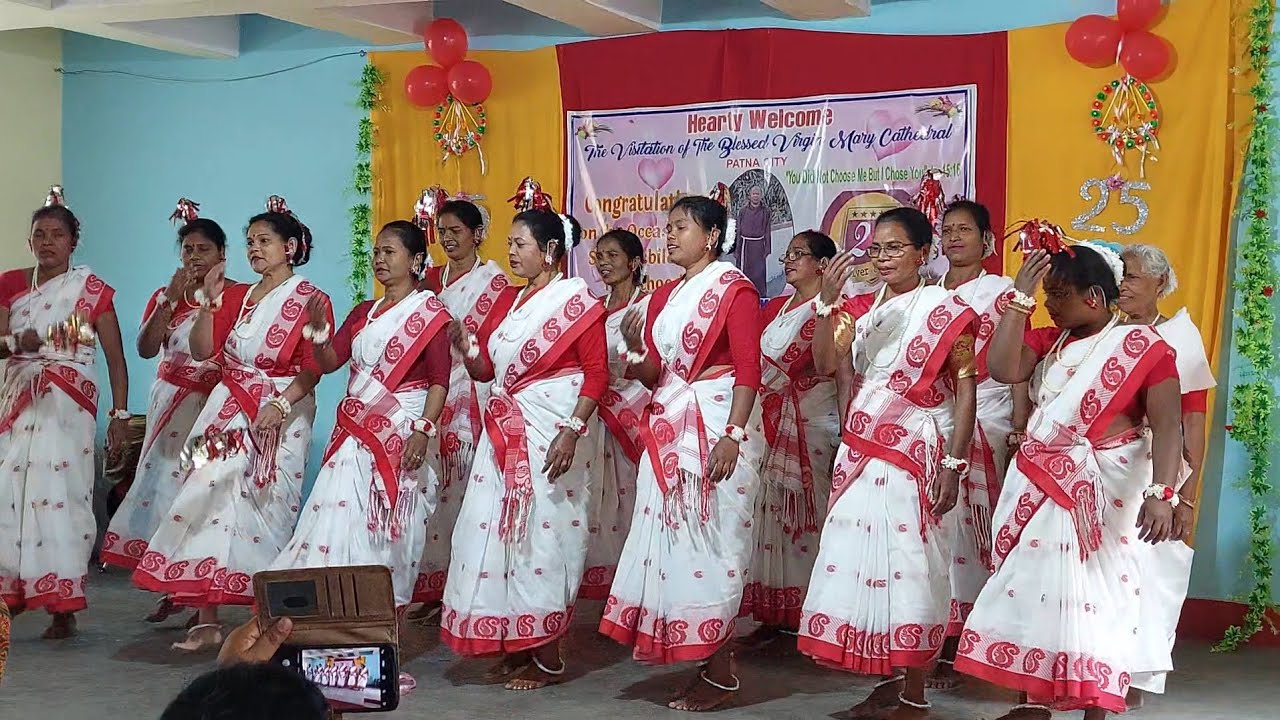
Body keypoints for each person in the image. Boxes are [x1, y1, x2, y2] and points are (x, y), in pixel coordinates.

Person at [953, 242, 1184, 720]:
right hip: (1041, 483)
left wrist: (1163, 495)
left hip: (1105, 495)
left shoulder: (1146, 348)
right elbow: (1001, 368)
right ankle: (1031, 702)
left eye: (1058, 295)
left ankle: (1093, 708)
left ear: (1095, 297)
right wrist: (1019, 298)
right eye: (1047, 295)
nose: (1050, 304)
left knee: (1095, 601)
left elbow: (1168, 427)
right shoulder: (1048, 340)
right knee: (1032, 590)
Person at [796, 207, 977, 720]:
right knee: (864, 564)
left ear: (924, 253)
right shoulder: (856, 309)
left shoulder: (947, 311)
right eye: (876, 248)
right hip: (863, 448)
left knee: (912, 564)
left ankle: (915, 693)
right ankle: (893, 680)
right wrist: (827, 306)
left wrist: (955, 464)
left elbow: (965, 388)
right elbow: (828, 366)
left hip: (917, 449)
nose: (882, 258)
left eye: (894, 248)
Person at [132, 196, 333, 652]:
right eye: (250, 242)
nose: (255, 249)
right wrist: (207, 305)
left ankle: (264, 616)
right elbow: (205, 351)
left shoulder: (310, 299)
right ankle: (206, 615)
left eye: (265, 241)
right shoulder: (237, 296)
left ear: (292, 246)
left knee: (265, 504)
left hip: (281, 412)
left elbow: (313, 366)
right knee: (209, 494)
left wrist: (279, 406)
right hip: (226, 405)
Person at [602, 194, 765, 712]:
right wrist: (633, 349)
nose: (669, 236)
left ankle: (722, 674)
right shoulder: (665, 295)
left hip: (716, 430)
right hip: (670, 426)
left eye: (681, 227)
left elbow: (748, 370)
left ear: (712, 236)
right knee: (680, 550)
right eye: (667, 227)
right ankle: (705, 665)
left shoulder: (733, 290)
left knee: (714, 547)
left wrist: (732, 436)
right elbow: (655, 375)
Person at [440, 199, 608, 692]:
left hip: (551, 435)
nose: (511, 252)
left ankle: (547, 652)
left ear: (550, 250)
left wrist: (572, 430)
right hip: (503, 434)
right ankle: (516, 644)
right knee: (495, 534)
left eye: (520, 244)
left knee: (544, 537)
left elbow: (596, 373)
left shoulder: (577, 302)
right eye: (509, 244)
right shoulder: (510, 303)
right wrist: (467, 346)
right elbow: (487, 371)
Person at [273, 221, 452, 608]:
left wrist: (423, 430)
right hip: (353, 439)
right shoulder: (363, 313)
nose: (379, 259)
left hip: (402, 433)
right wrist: (318, 333)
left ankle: (383, 634)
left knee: (391, 539)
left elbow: (440, 380)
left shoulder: (431, 314)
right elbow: (329, 362)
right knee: (334, 525)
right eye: (376, 252)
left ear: (416, 259)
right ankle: (331, 625)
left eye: (389, 252)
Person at [0, 188, 130, 639]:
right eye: (39, 234)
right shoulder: (12, 283)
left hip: (69, 405)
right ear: (29, 240)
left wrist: (119, 415)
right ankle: (13, 595)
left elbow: (115, 358)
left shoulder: (91, 291)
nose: (47, 242)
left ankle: (62, 603)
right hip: (21, 401)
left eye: (57, 234)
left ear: (74, 242)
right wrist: (19, 344)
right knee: (12, 492)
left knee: (61, 496)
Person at [101, 200, 239, 627]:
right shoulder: (166, 296)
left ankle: (201, 601)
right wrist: (167, 302)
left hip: (210, 408)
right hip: (169, 409)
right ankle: (170, 587)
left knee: (201, 497)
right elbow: (145, 348)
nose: (194, 257)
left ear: (221, 254)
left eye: (203, 249)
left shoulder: (236, 295)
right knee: (164, 495)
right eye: (188, 249)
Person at [927, 200, 1031, 689]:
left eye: (964, 229)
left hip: (985, 414)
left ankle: (969, 636)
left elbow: (1013, 362)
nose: (953, 237)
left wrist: (1018, 421)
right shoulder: (928, 294)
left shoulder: (1002, 291)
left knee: (973, 529)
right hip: (932, 419)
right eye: (947, 230)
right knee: (936, 525)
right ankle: (936, 629)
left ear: (987, 240)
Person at [1118, 243, 1213, 703]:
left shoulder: (1178, 336)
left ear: (1160, 283)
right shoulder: (1101, 331)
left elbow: (1192, 418)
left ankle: (1134, 674)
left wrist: (1185, 496)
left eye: (1132, 276)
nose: (1123, 283)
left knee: (1148, 573)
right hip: (1104, 471)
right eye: (1120, 274)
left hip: (1158, 473)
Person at [410, 198, 511, 622]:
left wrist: (466, 340)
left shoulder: (495, 283)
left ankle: (465, 585)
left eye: (456, 231)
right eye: (443, 231)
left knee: (468, 493)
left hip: (475, 394)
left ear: (477, 234)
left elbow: (496, 343)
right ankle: (434, 585)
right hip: (434, 394)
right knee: (435, 493)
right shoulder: (429, 280)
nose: (448, 239)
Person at [739, 230, 840, 645]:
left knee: (807, 515)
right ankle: (774, 613)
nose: (788, 261)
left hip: (812, 421)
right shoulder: (779, 309)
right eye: (788, 254)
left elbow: (823, 365)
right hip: (770, 420)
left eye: (799, 254)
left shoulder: (834, 309)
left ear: (822, 264)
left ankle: (808, 610)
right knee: (772, 515)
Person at [581, 229, 649, 599]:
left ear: (634, 263)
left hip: (637, 411)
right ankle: (606, 581)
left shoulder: (650, 307)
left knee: (633, 496)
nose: (604, 263)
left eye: (612, 256)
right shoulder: (593, 311)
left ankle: (635, 581)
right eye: (599, 256)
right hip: (600, 414)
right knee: (602, 499)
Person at [735, 185, 772, 293]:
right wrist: (737, 250)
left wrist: (767, 249)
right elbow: (738, 232)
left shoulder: (765, 212)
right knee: (744, 275)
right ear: (749, 196)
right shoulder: (742, 212)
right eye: (753, 194)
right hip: (744, 247)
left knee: (759, 274)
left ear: (761, 196)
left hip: (758, 247)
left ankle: (761, 296)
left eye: (758, 194)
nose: (755, 196)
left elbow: (767, 231)